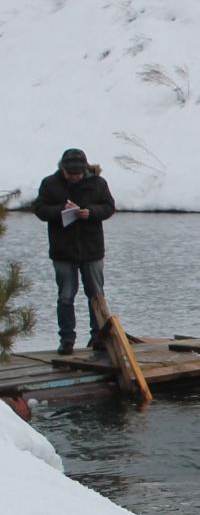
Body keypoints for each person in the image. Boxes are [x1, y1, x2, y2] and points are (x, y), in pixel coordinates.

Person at [30, 148, 116, 358]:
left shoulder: (98, 183)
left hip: (92, 249)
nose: (75, 178)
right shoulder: (50, 183)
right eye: (71, 175)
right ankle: (67, 341)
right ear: (63, 169)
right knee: (66, 297)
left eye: (78, 174)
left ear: (85, 170)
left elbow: (109, 207)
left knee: (96, 295)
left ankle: (99, 339)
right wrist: (61, 210)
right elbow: (40, 210)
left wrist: (91, 212)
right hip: (63, 251)